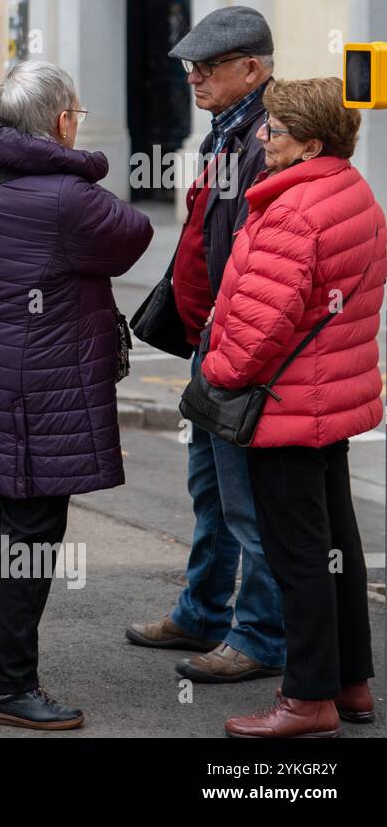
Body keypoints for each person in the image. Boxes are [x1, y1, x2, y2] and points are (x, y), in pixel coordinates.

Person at [0, 61, 153, 730]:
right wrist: (80, 166)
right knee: (33, 530)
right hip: (40, 388)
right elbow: (135, 236)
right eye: (77, 115)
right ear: (61, 121)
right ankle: (7, 687)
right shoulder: (70, 200)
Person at [198, 78, 385, 737]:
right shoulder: (352, 193)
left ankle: (307, 701)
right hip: (329, 398)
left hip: (286, 406)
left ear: (310, 140)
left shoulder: (294, 210)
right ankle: (349, 682)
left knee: (298, 554)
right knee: (336, 543)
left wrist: (216, 376)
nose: (260, 136)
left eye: (273, 129)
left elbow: (258, 324)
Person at [127, 6, 287, 684]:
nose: (194, 78)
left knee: (247, 503)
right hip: (213, 343)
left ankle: (258, 635)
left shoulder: (266, 139)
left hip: (239, 349)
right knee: (210, 491)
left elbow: (266, 260)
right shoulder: (229, 131)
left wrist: (230, 337)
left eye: (209, 67)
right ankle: (202, 610)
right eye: (191, 67)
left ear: (250, 69)